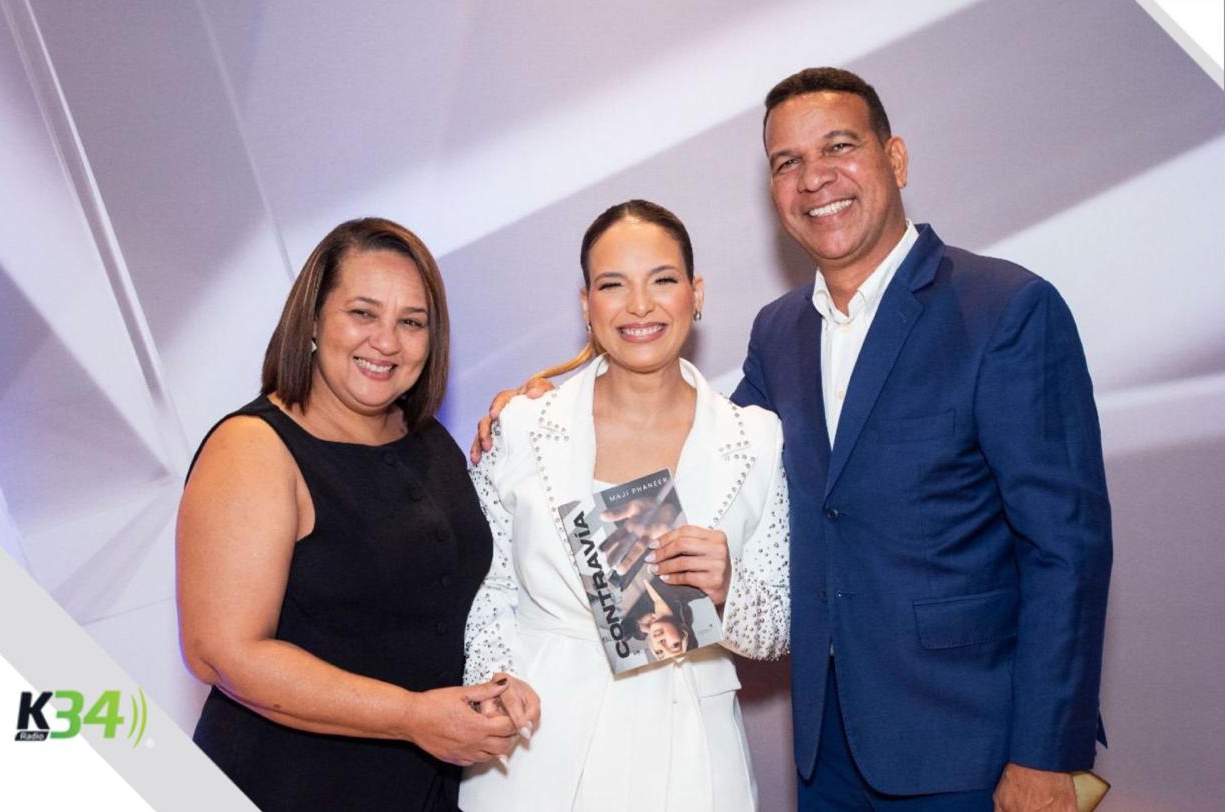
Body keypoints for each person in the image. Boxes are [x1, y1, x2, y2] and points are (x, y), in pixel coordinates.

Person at [475, 69, 1112, 811]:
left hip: (971, 747)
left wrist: (1045, 754)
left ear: (895, 158)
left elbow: (1067, 547)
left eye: (838, 147)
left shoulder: (1004, 309)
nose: (814, 179)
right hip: (827, 751)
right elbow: (696, 446)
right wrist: (549, 396)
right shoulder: (780, 333)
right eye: (788, 162)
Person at [176, 217, 533, 812]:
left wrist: (536, 423)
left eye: (411, 322)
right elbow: (221, 652)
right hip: (281, 787)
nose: (386, 342)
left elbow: (452, 599)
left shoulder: (426, 437)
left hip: (422, 788)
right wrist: (410, 715)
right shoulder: (254, 447)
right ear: (314, 322)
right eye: (363, 313)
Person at [459, 200, 790, 812]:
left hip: (689, 749)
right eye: (613, 285)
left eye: (662, 280)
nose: (640, 305)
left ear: (695, 293)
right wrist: (495, 683)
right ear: (586, 305)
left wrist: (729, 591)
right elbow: (489, 586)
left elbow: (777, 630)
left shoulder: (755, 438)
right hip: (539, 742)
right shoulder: (523, 426)